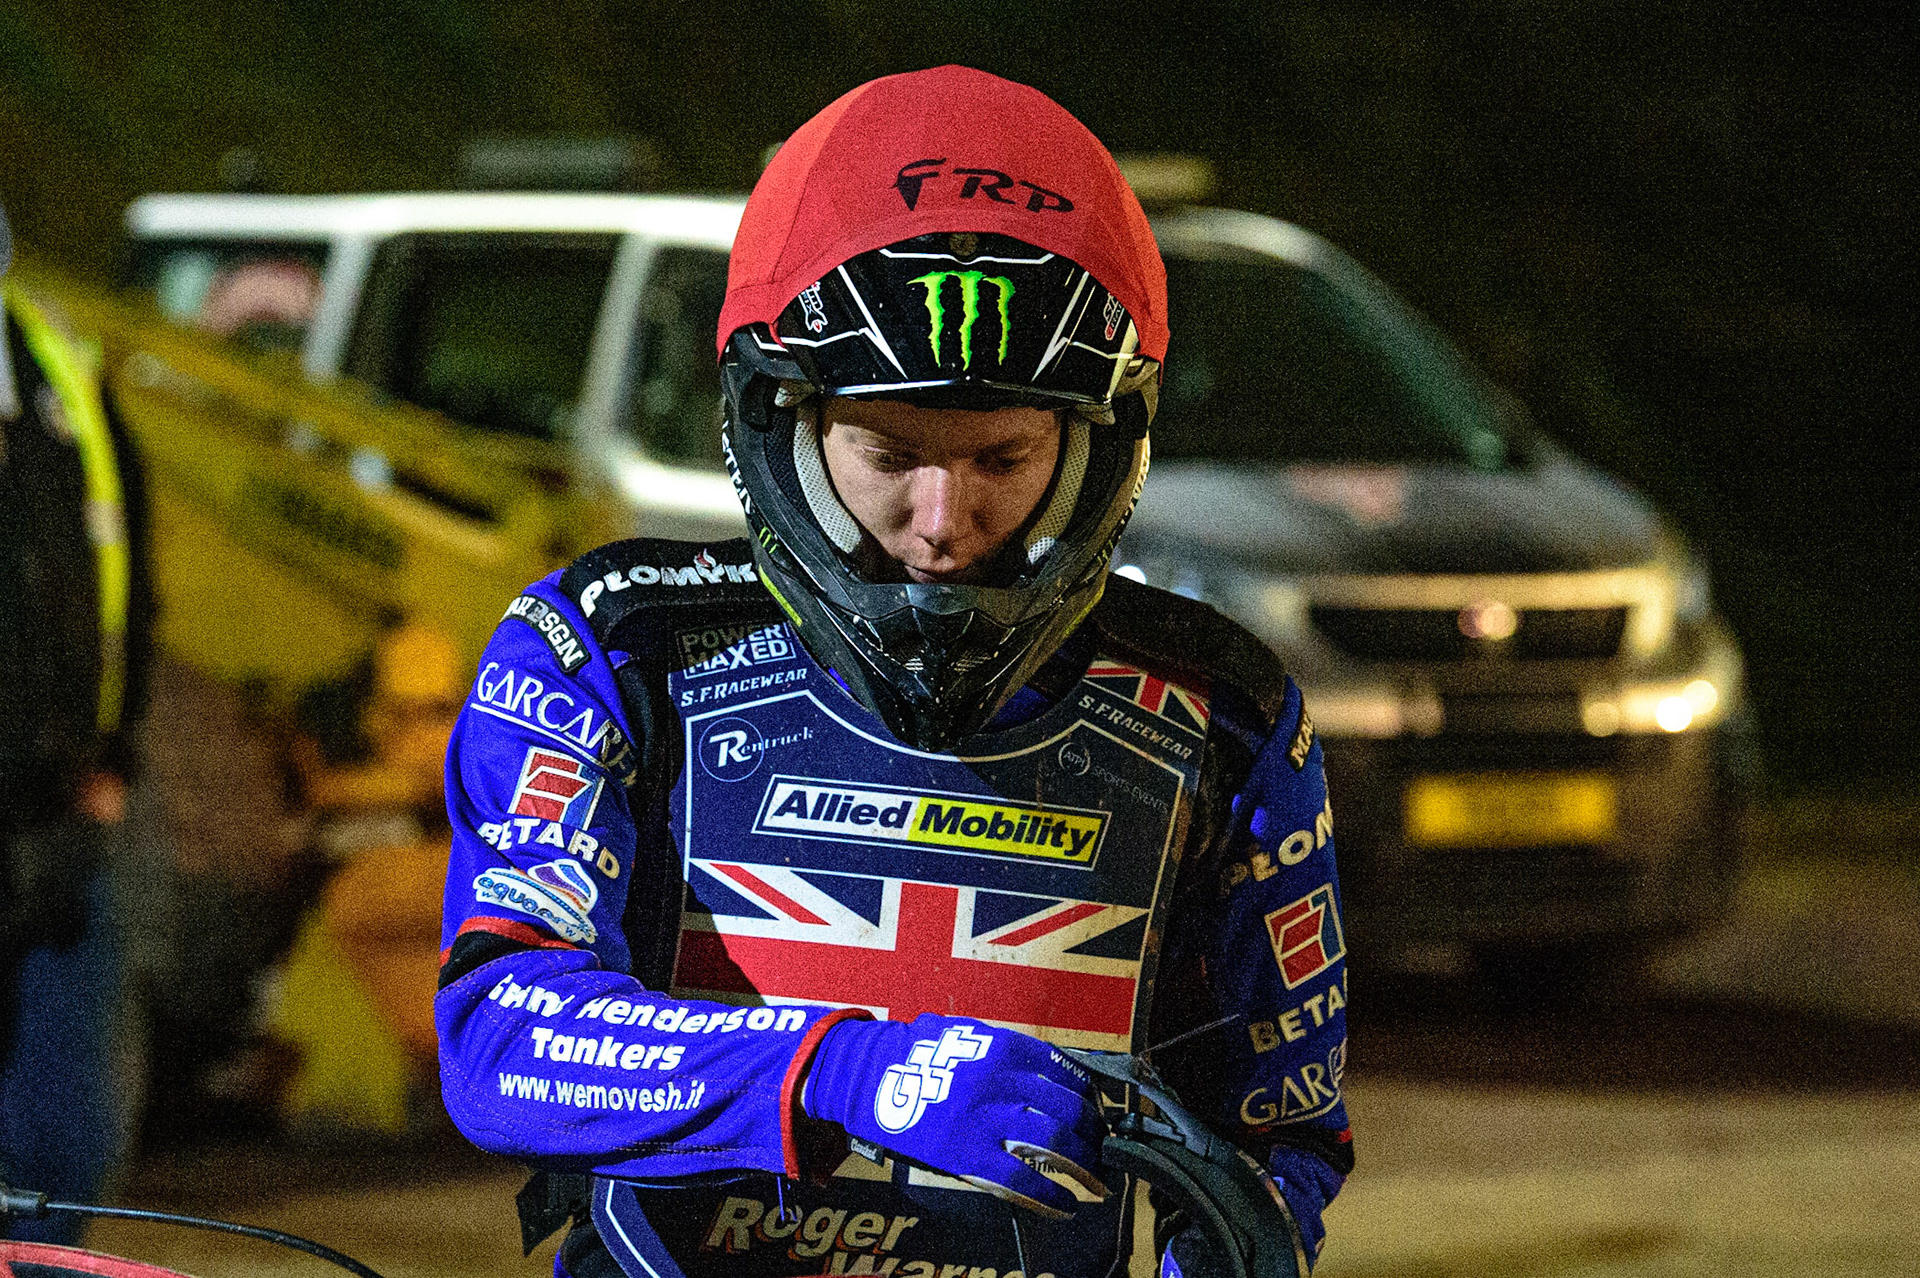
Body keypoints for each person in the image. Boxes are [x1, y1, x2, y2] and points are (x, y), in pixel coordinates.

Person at [437, 67, 1351, 1278]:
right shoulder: (612, 645)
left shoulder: (1222, 716)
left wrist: (1238, 1239)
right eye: (886, 450)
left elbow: (1278, 1133)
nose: (941, 518)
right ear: (780, 423)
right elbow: (500, 1037)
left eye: (1003, 456)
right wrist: (841, 1074)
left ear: (1100, 445)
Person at [1, 202, 155, 1243]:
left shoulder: (56, 366)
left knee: (63, 1134)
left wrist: (115, 756)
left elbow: (127, 579)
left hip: (59, 812)